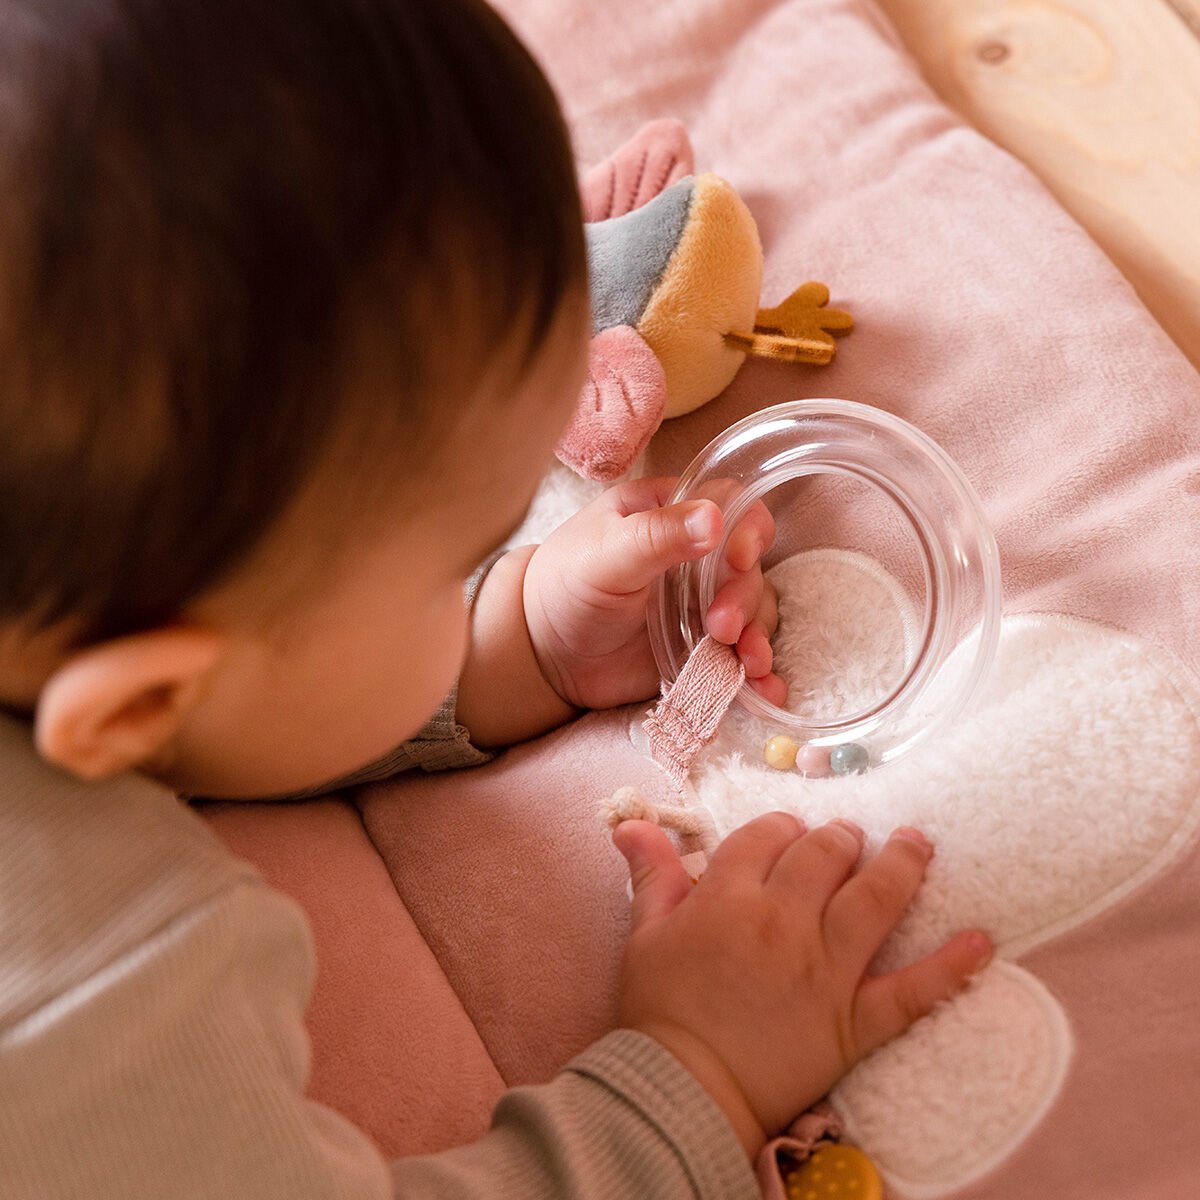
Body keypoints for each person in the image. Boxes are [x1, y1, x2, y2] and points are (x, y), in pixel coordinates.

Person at [0, 0, 993, 1196]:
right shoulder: (93, 979)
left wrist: (511, 644)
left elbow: (198, 707)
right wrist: (703, 1075)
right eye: (442, 569)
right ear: (136, 702)